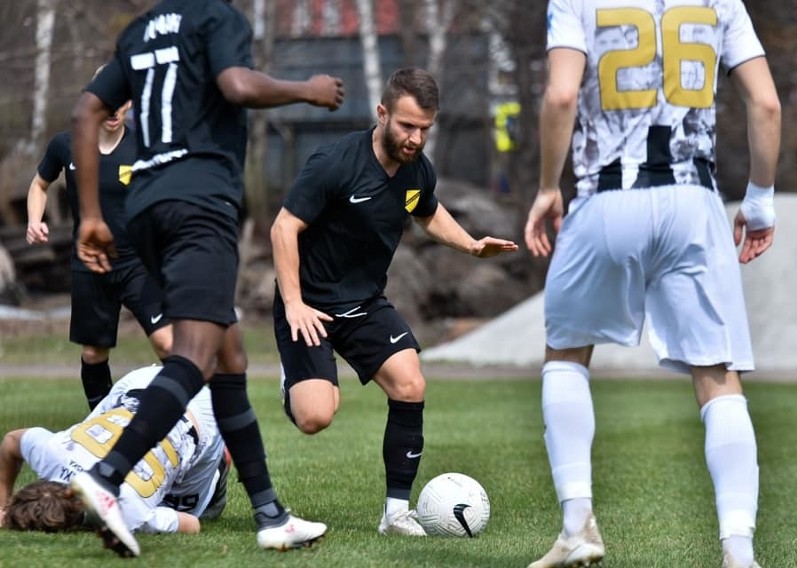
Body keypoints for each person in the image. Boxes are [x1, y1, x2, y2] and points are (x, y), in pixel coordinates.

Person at [68, 0, 345, 558]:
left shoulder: (141, 30)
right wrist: (307, 89)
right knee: (194, 357)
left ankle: (269, 513)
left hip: (146, 209)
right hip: (198, 205)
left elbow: (83, 113)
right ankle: (106, 477)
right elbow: (237, 85)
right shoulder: (218, 17)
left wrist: (92, 216)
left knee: (229, 360)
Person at [524, 2, 781, 568]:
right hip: (694, 199)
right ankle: (740, 552)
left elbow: (562, 95)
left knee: (566, 353)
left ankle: (577, 526)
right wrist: (759, 200)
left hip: (607, 196)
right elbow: (764, 101)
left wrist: (548, 185)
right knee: (717, 376)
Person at [269, 67, 518, 536]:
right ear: (382, 114)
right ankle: (293, 381)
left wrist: (469, 245)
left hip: (363, 303)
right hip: (310, 304)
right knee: (315, 417)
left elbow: (427, 209)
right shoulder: (335, 162)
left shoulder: (418, 168)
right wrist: (295, 303)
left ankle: (395, 513)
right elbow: (283, 228)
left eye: (425, 128)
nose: (415, 138)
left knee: (410, 384)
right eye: (406, 125)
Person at [26, 74, 171, 411]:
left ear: (131, 101)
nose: (114, 106)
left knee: (168, 344)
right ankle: (102, 425)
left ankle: (186, 423)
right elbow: (39, 185)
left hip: (138, 262)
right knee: (93, 353)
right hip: (90, 263)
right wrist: (35, 220)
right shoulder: (66, 144)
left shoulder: (146, 146)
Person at [0, 365, 229, 535]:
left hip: (201, 415)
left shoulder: (125, 514)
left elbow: (192, 525)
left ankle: (220, 466)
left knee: (194, 511)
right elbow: (11, 441)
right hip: (141, 382)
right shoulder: (52, 454)